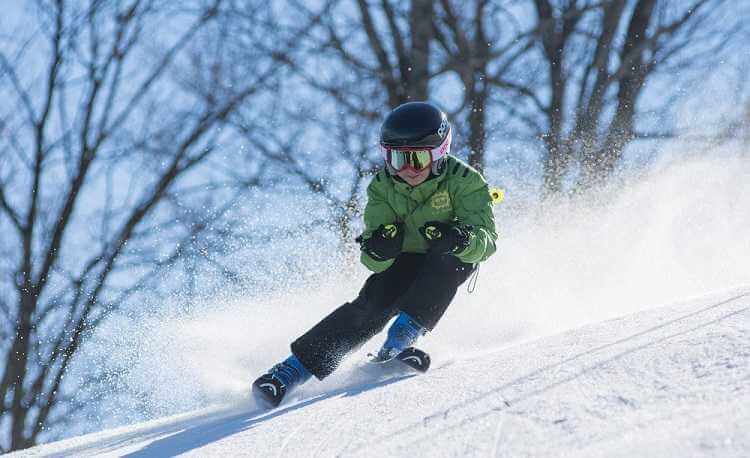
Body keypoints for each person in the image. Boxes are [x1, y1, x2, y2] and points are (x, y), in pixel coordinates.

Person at [252, 101, 497, 407]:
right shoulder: (382, 186)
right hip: (405, 259)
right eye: (396, 159)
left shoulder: (466, 181)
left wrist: (461, 239)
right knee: (373, 304)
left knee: (450, 263)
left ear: (439, 154)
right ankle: (290, 372)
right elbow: (372, 259)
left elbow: (487, 241)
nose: (407, 170)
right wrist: (380, 247)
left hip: (447, 256)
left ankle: (400, 341)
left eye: (417, 159)